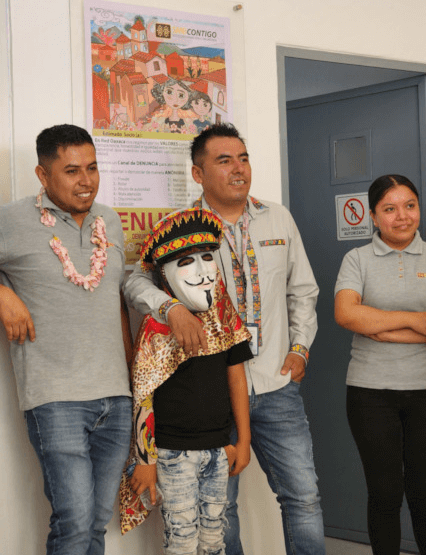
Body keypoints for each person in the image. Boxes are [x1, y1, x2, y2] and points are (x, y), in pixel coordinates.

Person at [123, 124, 325, 555]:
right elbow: (134, 282)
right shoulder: (182, 228)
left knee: (303, 496)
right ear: (198, 174)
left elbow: (303, 291)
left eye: (244, 158)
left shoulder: (278, 217)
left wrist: (300, 346)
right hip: (212, 390)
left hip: (276, 383)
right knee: (219, 509)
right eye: (224, 160)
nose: (239, 169)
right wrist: (171, 309)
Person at [0, 124, 132, 554]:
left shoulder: (108, 220)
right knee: (73, 522)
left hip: (116, 396)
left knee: (95, 524)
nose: (86, 180)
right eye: (72, 170)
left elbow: (116, 301)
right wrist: (2, 293)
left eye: (92, 168)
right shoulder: (13, 220)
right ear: (43, 175)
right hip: (55, 398)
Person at [118, 208, 253, 555]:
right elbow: (143, 394)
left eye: (207, 257)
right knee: (182, 539)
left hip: (219, 448)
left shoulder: (223, 318)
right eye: (185, 262)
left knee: (214, 536)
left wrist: (243, 439)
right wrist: (146, 461)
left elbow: (236, 375)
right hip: (172, 453)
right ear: (163, 274)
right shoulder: (157, 329)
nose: (202, 269)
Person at [334, 174, 426, 555]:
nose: (402, 216)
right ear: (373, 216)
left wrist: (381, 328)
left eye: (410, 206)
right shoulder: (357, 259)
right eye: (390, 209)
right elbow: (347, 314)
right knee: (384, 493)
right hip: (370, 392)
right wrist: (418, 320)